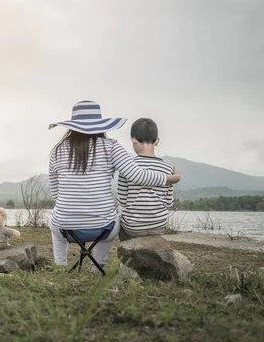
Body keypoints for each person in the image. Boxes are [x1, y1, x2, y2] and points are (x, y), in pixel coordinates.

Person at [47, 100, 181, 268]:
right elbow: (139, 176)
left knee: (55, 219)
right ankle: (98, 266)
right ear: (99, 125)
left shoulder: (57, 151)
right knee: (114, 217)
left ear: (73, 126)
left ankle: (60, 265)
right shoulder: (111, 147)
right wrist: (171, 178)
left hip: (66, 230)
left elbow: (56, 195)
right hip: (103, 229)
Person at [117, 118, 175, 240]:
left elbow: (122, 201)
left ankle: (127, 257)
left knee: (119, 221)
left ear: (133, 140)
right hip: (158, 226)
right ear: (157, 141)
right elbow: (169, 202)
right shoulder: (168, 168)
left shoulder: (127, 167)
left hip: (133, 227)